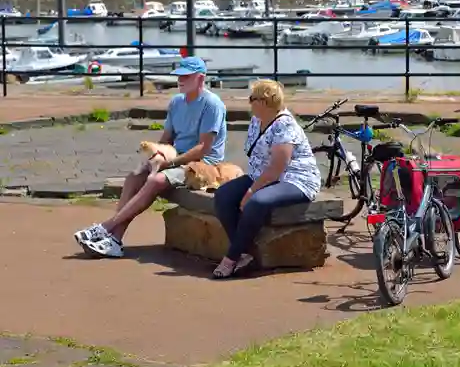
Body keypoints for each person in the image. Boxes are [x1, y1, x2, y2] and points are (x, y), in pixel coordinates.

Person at [73, 56, 227, 258]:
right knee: (134, 177)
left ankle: (106, 227)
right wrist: (156, 156)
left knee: (156, 180)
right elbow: (166, 139)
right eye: (179, 75)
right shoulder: (176, 103)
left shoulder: (212, 104)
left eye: (186, 76)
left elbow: (203, 148)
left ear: (200, 78)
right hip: (175, 158)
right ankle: (115, 239)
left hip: (201, 165)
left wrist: (169, 163)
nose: (180, 80)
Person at [212, 79, 320, 279]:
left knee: (256, 202)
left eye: (252, 98)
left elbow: (277, 168)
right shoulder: (256, 120)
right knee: (223, 196)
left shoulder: (285, 125)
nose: (249, 102)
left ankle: (231, 259)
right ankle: (244, 253)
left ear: (263, 101)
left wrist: (252, 191)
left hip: (295, 178)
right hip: (259, 174)